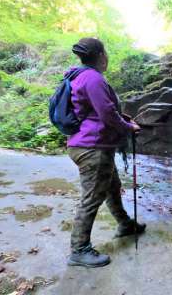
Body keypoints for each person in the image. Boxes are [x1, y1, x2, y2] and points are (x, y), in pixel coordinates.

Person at [65, 37, 145, 268]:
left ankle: (125, 224)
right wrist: (129, 127)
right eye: (106, 53)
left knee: (111, 186)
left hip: (89, 143)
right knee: (92, 197)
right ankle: (79, 249)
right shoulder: (92, 78)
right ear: (101, 55)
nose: (107, 57)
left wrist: (124, 120)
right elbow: (107, 114)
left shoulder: (80, 75)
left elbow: (98, 111)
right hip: (92, 147)